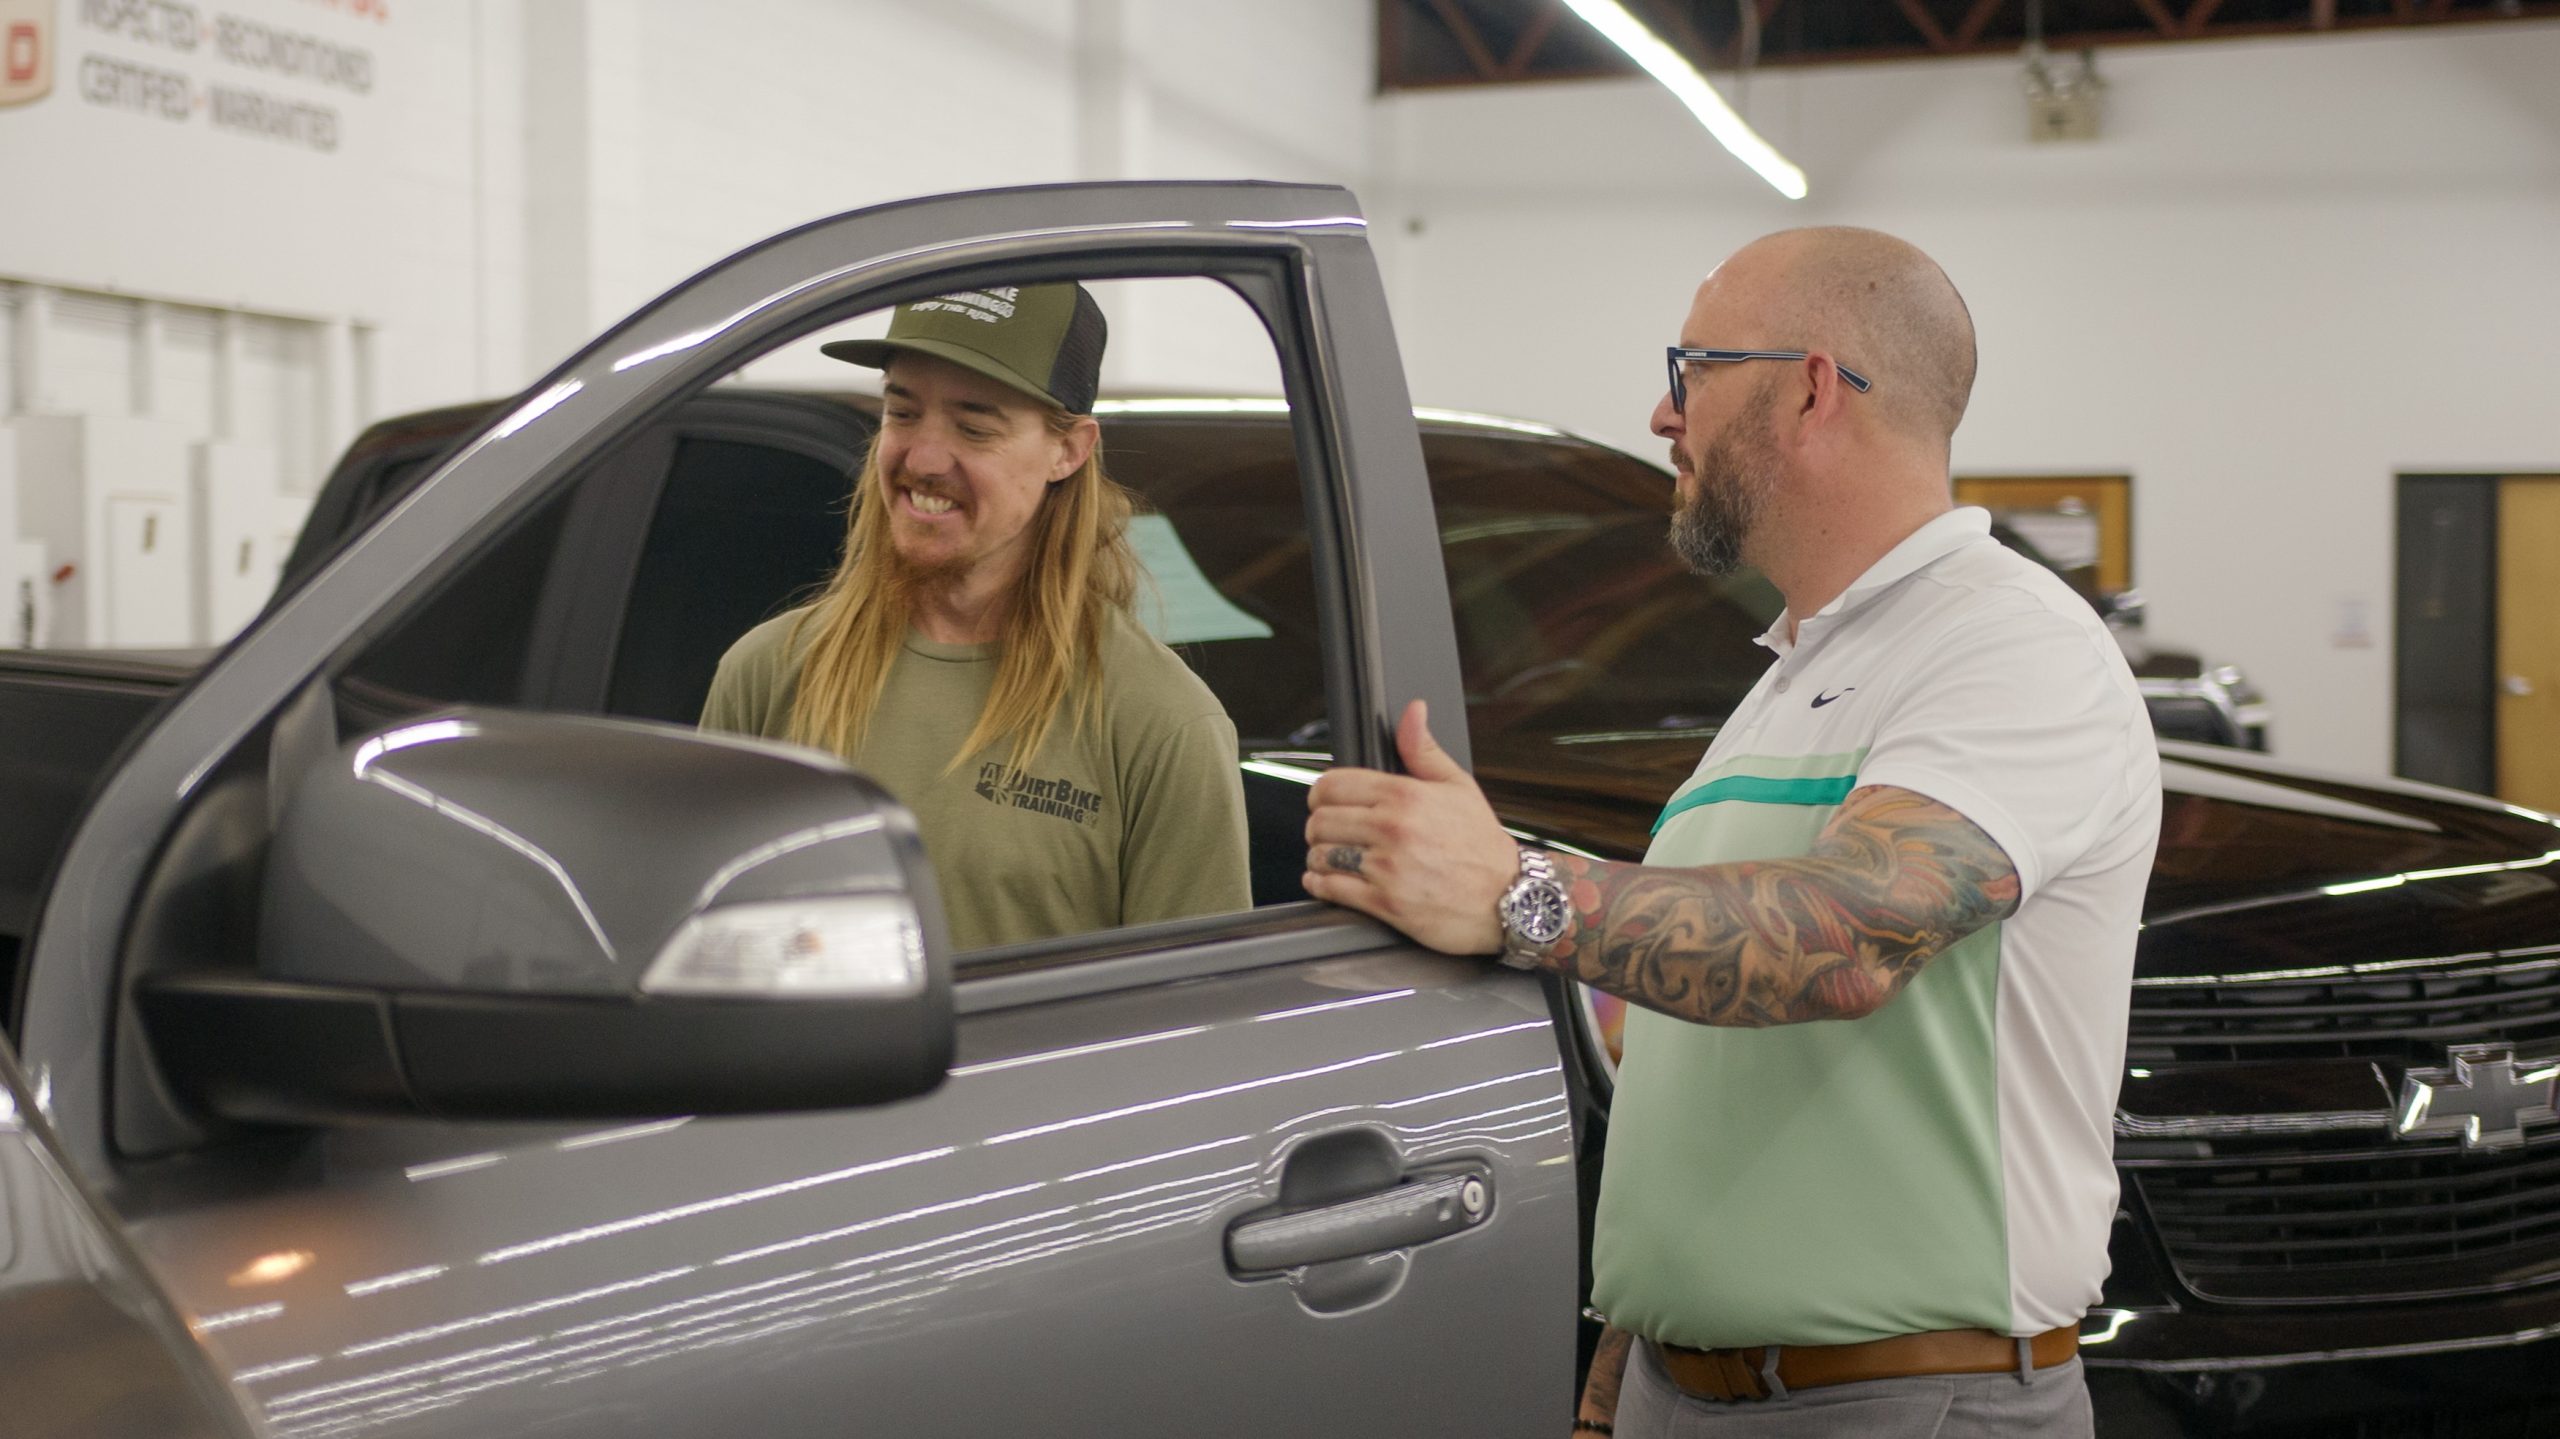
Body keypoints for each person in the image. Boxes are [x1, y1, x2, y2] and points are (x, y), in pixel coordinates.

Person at [1302, 228, 2159, 1437]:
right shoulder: (1793, 674)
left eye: (1691, 368)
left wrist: (1518, 890)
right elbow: (1718, 1062)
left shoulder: (2008, 644)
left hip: (1905, 1399)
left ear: (1811, 385)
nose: (1662, 414)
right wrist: (1640, 1341)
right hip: (1696, 1385)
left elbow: (1843, 935)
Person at [702, 282, 1250, 951]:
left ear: (1069, 450)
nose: (923, 459)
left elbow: (1187, 1028)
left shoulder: (1160, 726)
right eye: (902, 413)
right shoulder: (765, 675)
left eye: (974, 426)